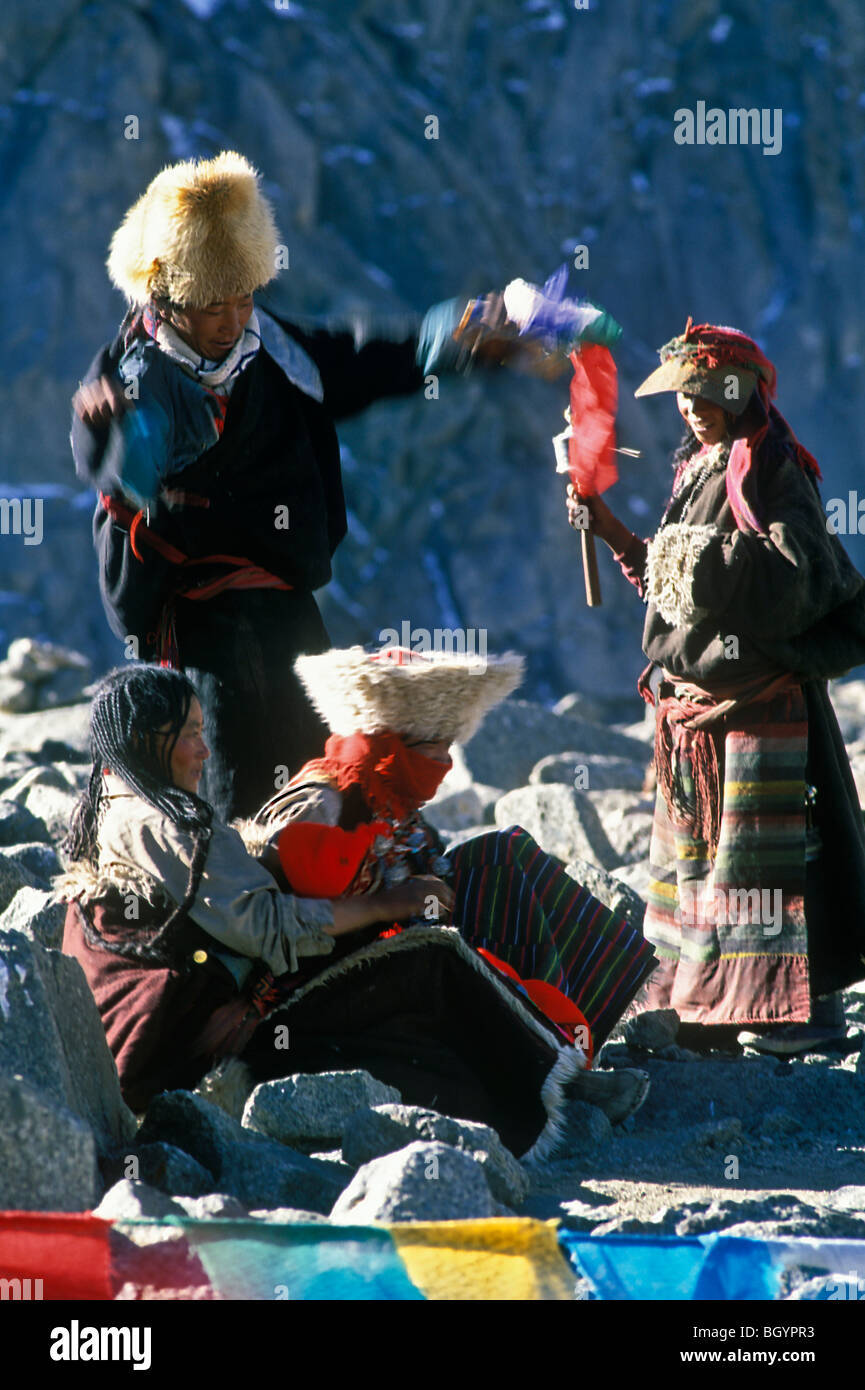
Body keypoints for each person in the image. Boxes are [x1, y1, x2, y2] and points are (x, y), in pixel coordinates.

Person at [69, 151, 539, 822]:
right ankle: (239, 914)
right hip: (201, 625)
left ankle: (320, 910)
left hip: (287, 611)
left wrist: (456, 338)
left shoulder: (274, 349)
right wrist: (127, 455)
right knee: (225, 788)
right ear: (164, 299)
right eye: (211, 307)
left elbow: (358, 361)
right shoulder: (135, 376)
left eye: (242, 298)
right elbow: (115, 461)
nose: (231, 321)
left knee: (316, 778)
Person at [57, 663, 648, 1162]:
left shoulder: (128, 803)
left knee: (496, 865)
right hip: (211, 1040)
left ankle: (563, 1048)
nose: (205, 750)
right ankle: (548, 1082)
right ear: (144, 737)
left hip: (227, 996)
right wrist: (386, 905)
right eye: (189, 732)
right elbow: (268, 926)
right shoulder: (173, 823)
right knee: (429, 963)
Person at [566, 318, 865, 1054]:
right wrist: (610, 531)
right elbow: (682, 593)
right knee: (712, 870)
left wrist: (682, 556)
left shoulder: (769, 468)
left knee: (769, 871)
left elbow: (798, 571)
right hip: (700, 711)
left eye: (706, 393)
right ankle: (719, 1010)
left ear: (741, 394)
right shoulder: (702, 463)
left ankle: (796, 1018)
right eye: (682, 394)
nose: (693, 406)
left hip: (759, 707)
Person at [248, 644, 658, 1057]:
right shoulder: (325, 802)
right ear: (396, 743)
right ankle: (546, 1054)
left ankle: (574, 1035)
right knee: (453, 951)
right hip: (325, 983)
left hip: (394, 943)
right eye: (436, 747)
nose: (445, 763)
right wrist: (387, 904)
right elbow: (268, 916)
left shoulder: (391, 797)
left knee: (505, 855)